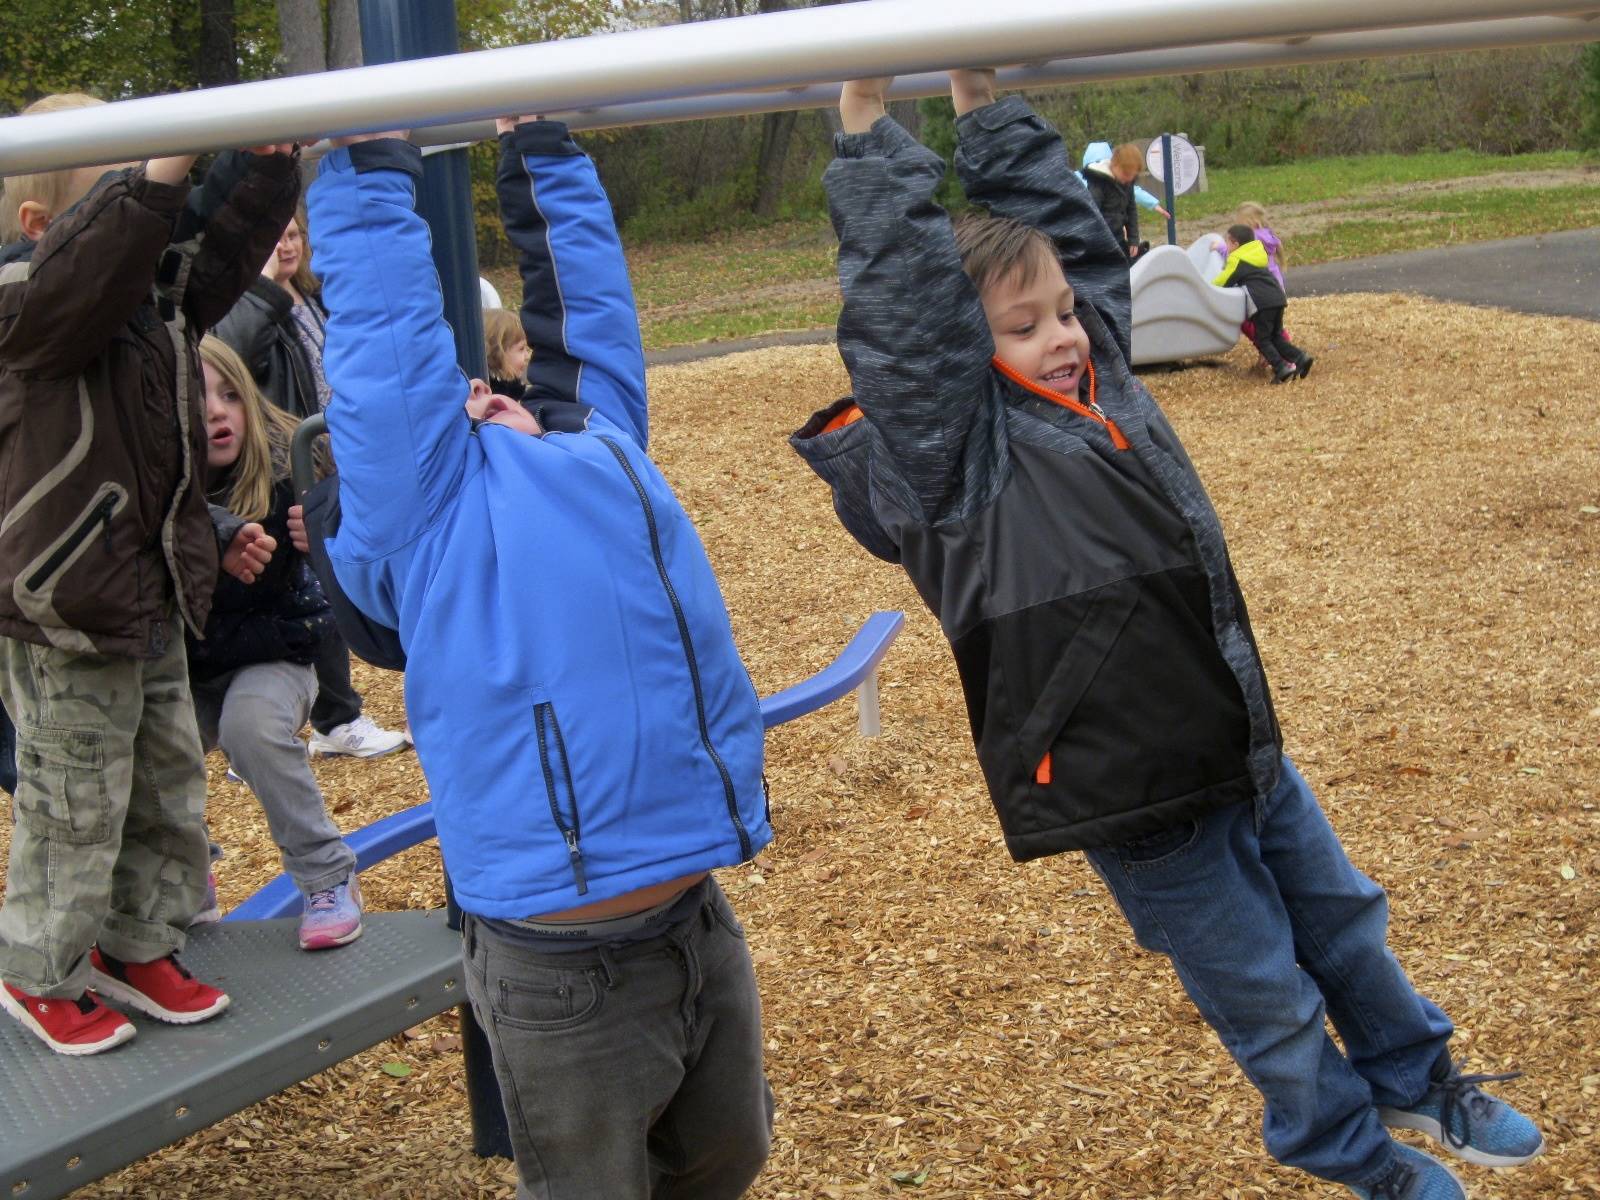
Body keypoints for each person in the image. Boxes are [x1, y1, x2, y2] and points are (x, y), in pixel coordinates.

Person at [790, 71, 1542, 1200]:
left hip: (1231, 731)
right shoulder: (959, 455)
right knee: (1264, 992)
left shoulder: (1102, 383)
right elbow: (902, 315)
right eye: (1023, 325)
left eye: (1060, 314)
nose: (1061, 335)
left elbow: (1081, 256)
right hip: (1125, 783)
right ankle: (1345, 1151)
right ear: (955, 354)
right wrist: (866, 134)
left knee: (1344, 924)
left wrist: (985, 110)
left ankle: (1413, 1076)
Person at [307, 116, 774, 1198]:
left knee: (727, 1154)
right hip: (562, 968)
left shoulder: (599, 447)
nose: (480, 386)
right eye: (458, 394)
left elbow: (587, 317)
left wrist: (546, 157)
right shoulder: (431, 512)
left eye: (491, 376)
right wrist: (369, 173)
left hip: (693, 919)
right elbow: (386, 344)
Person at [0, 92, 299, 1055]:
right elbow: (91, 271)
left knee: (166, 782)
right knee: (75, 796)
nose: (149, 220)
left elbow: (209, 256)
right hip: (67, 601)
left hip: (146, 585)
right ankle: (37, 966)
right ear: (43, 226)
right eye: (120, 190)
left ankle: (137, 941)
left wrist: (264, 163)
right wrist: (157, 175)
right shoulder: (27, 307)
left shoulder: (151, 303)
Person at [214, 212, 409, 761]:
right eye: (273, 236)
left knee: (326, 573)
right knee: (308, 577)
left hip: (327, 452)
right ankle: (333, 718)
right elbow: (235, 358)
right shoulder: (244, 308)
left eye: (294, 235)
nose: (287, 245)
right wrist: (262, 287)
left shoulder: (308, 301)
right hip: (283, 463)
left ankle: (331, 714)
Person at [192, 337, 364, 950]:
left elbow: (356, 550)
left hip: (275, 649)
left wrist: (319, 533)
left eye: (229, 395)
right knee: (152, 753)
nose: (215, 411)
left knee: (251, 729)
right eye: (195, 397)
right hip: (188, 664)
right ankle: (183, 882)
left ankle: (326, 877)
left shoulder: (284, 469)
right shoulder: (153, 485)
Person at [1213, 223, 1313, 383]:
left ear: (1235, 244)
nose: (1227, 246)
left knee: (1262, 339)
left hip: (1262, 303)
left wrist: (1205, 285)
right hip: (1277, 298)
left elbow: (1222, 282)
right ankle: (1300, 357)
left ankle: (1281, 367)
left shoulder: (1237, 260)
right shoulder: (1256, 254)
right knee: (1276, 336)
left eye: (1228, 242)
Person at [1081, 140, 1147, 260]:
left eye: (1133, 176)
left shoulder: (1127, 183)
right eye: (1126, 174)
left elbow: (1131, 211)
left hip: (1118, 236)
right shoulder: (1098, 182)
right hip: (1100, 240)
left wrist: (1133, 239)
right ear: (1114, 164)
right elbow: (1092, 214)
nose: (1129, 179)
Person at [1079, 141, 1169, 220]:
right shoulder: (1084, 178)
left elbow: (1133, 191)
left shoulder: (1114, 178)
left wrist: (1153, 204)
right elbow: (1134, 191)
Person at [482, 305, 530, 402]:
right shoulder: (490, 399)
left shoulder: (514, 390)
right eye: (521, 349)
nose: (527, 356)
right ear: (498, 352)